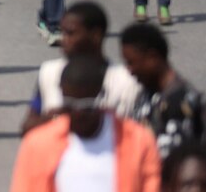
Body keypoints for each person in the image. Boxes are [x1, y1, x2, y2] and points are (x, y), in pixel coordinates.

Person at [10, 54, 162, 192]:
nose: (79, 113)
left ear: (102, 96)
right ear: (62, 97)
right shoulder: (38, 145)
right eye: (71, 105)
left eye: (87, 105)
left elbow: (152, 184)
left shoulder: (138, 141)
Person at [22, 1, 142, 132]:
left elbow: (136, 134)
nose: (63, 40)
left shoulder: (127, 82)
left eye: (71, 33)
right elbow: (27, 128)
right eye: (62, 33)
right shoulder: (49, 72)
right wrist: (57, 118)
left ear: (96, 35)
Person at [121, 23, 206, 169]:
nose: (129, 70)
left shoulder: (177, 104)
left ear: (152, 57)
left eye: (132, 63)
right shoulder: (149, 92)